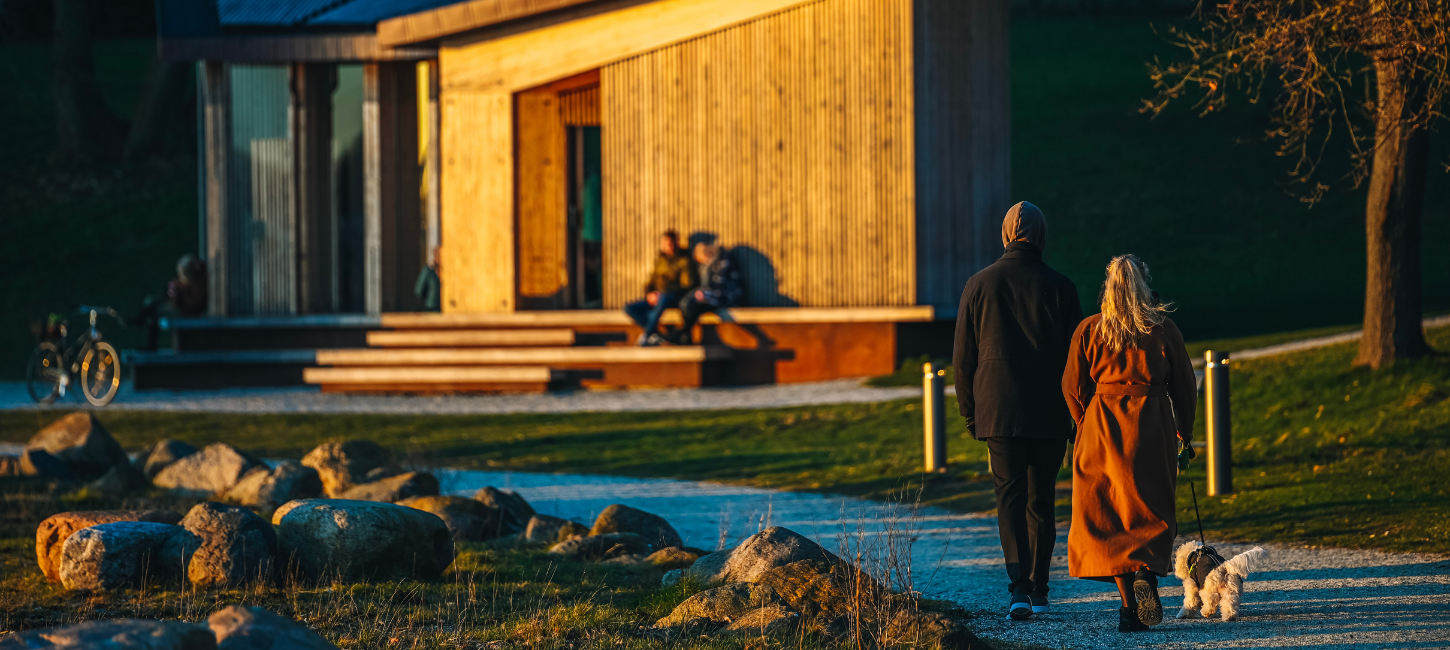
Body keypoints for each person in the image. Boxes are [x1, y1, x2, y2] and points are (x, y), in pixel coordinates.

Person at [952, 201, 1083, 621]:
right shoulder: (1061, 287)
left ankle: (1019, 590)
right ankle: (1041, 586)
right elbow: (1077, 360)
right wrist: (1078, 416)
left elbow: (963, 359)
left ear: (1006, 234)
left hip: (999, 408)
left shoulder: (978, 284)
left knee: (1009, 498)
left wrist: (971, 413)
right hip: (1049, 409)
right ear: (1042, 236)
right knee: (1041, 500)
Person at [1061, 254, 1197, 633]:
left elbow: (1071, 387)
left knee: (1106, 517)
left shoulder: (1090, 329)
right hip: (1151, 425)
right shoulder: (1164, 329)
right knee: (1149, 510)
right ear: (1143, 286)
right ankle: (1144, 575)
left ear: (1107, 289)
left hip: (1101, 428)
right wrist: (1184, 430)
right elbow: (1185, 386)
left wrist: (1085, 422)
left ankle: (1127, 608)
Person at [624, 230, 696, 346]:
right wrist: (650, 294)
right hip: (657, 298)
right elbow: (651, 281)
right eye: (666, 244)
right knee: (629, 308)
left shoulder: (684, 261)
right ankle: (655, 334)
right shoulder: (660, 260)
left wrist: (664, 294)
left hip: (672, 298)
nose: (669, 247)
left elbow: (686, 286)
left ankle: (647, 335)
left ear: (676, 243)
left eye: (671, 243)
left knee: (663, 299)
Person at [669, 241, 742, 344]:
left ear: (704, 254)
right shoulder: (711, 264)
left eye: (701, 260)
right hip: (715, 298)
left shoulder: (722, 261)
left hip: (727, 298)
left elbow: (719, 289)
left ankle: (679, 335)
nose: (702, 263)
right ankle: (685, 337)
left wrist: (704, 294)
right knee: (690, 306)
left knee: (694, 308)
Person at [135, 254, 208, 351]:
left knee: (156, 311)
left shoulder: (199, 282)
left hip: (188, 312)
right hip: (183, 308)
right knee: (152, 302)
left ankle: (141, 324)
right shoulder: (194, 280)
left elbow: (192, 304)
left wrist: (177, 291)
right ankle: (140, 319)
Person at [415, 246, 442, 312]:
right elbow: (418, 291)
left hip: (444, 310)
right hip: (431, 309)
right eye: (438, 255)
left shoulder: (447, 273)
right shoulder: (428, 271)